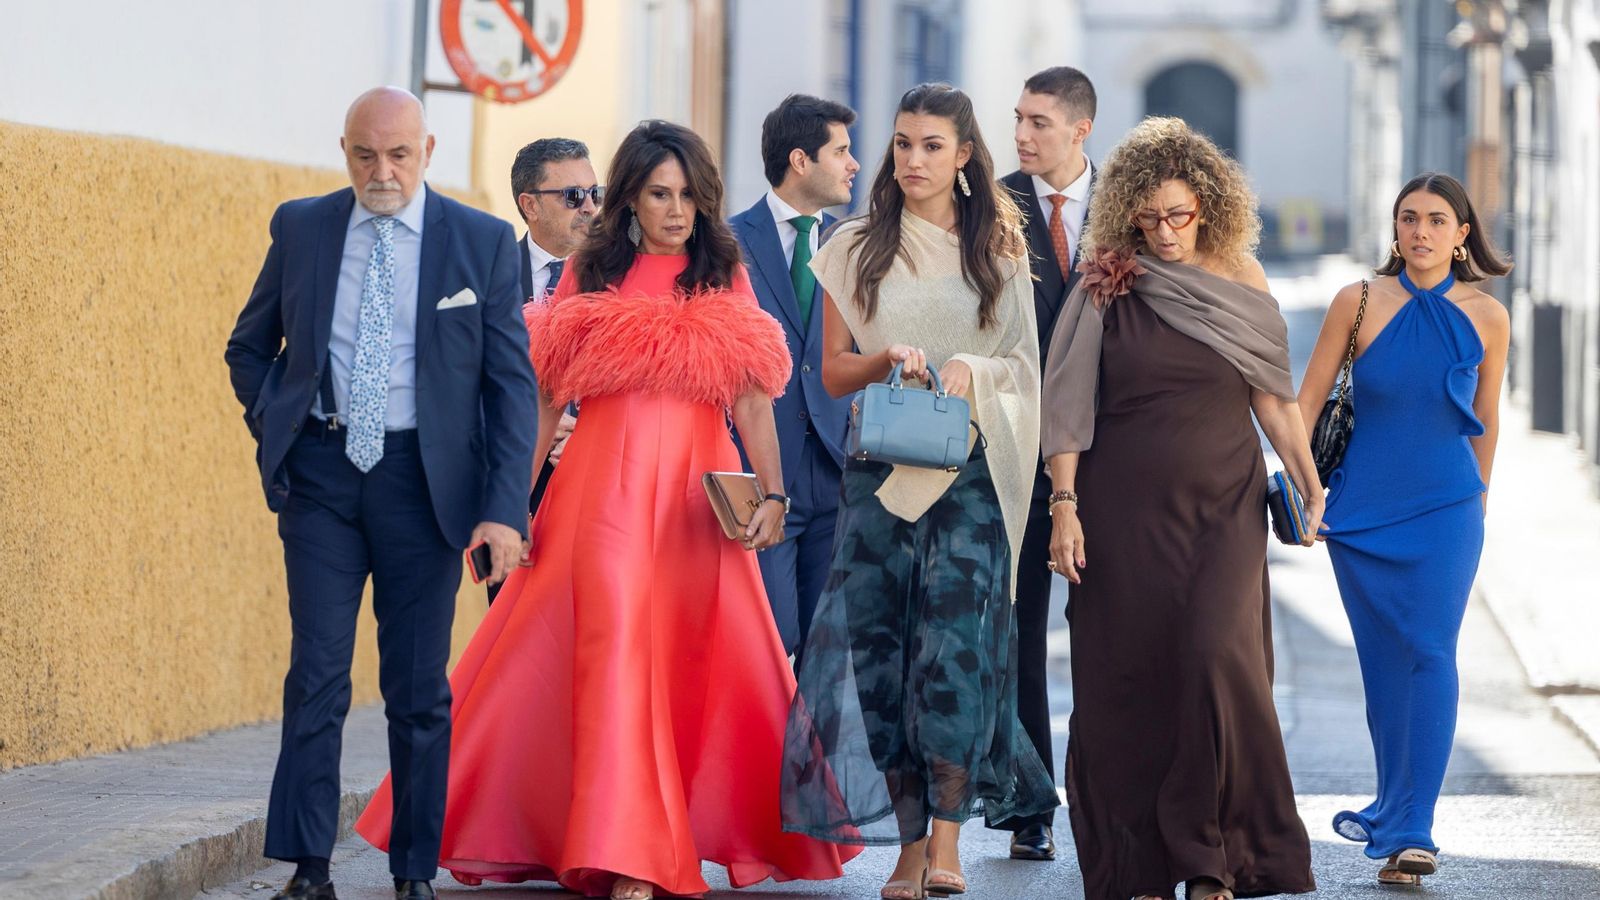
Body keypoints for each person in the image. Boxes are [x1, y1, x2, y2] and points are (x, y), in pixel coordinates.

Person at [354, 119, 860, 900]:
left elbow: (755, 401)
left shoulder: (724, 269)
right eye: (660, 194)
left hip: (699, 500)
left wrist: (775, 495)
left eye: (689, 196)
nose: (676, 211)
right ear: (629, 198)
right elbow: (547, 399)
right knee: (613, 654)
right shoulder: (590, 269)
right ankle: (626, 855)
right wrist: (509, 509)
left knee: (695, 663)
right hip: (603, 496)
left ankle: (652, 839)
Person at [224, 86, 537, 900]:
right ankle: (309, 866)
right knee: (317, 674)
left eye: (399, 154)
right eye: (366, 154)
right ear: (345, 150)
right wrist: (277, 426)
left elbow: (510, 389)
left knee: (417, 688)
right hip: (323, 479)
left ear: (428, 152)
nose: (382, 171)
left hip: (423, 487)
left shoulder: (482, 242)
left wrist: (504, 509)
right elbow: (249, 346)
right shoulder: (302, 227)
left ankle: (412, 871)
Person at [780, 82, 1058, 900]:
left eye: (932, 145)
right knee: (881, 662)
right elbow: (829, 373)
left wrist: (976, 368)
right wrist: (886, 355)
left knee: (954, 658)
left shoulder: (1001, 255)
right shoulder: (853, 247)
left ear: (966, 156)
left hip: (970, 477)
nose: (912, 159)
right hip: (878, 480)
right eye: (903, 143)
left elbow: (1027, 374)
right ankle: (904, 850)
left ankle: (946, 846)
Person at [1039, 116, 1319, 900]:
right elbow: (1067, 407)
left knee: (1214, 660)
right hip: (1121, 512)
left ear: (1209, 207)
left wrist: (1306, 478)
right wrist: (1065, 506)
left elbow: (1274, 393)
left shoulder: (1243, 278)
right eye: (1149, 217)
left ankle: (1216, 853)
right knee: (1128, 680)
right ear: (1127, 209)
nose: (1163, 232)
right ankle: (1144, 864)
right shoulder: (1106, 279)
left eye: (1179, 216)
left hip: (1225, 508)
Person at [1297, 172, 1511, 887]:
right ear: (1395, 230)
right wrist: (1303, 494)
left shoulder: (1488, 316)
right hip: (1361, 518)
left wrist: (1477, 504)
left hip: (1448, 512)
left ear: (1462, 233)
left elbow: (1487, 419)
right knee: (1383, 666)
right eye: (1409, 218)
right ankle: (1392, 814)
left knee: (1429, 650)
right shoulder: (1356, 302)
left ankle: (1415, 827)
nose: (1420, 231)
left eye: (1436, 219)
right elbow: (1305, 409)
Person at [989, 64, 1097, 863]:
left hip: (1111, 452)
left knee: (1108, 634)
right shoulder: (989, 206)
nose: (1022, 135)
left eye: (1039, 123)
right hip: (1018, 449)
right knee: (1021, 630)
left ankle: (1112, 796)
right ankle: (1031, 803)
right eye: (1018, 120)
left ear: (1080, 130)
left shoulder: (1129, 210)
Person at [728, 93, 860, 659]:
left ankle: (813, 753)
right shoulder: (726, 244)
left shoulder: (854, 246)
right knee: (770, 643)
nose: (854, 164)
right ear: (801, 161)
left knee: (828, 655)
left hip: (839, 474)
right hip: (760, 479)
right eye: (842, 151)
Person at [487, 138, 599, 603]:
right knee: (511, 644)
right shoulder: (487, 274)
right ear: (529, 205)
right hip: (510, 487)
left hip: (596, 485)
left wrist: (588, 432)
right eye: (573, 197)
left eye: (597, 193)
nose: (590, 208)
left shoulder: (622, 281)